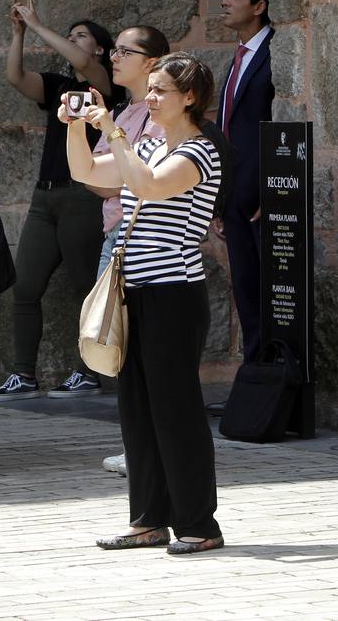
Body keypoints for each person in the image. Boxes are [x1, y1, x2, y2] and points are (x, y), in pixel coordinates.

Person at [67, 52, 225, 556]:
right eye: (150, 89)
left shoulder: (199, 151)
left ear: (190, 98)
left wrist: (114, 129)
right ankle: (148, 519)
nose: (150, 98)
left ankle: (199, 524)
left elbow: (149, 186)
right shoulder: (150, 142)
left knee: (175, 410)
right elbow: (86, 171)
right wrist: (77, 127)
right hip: (135, 290)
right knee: (136, 409)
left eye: (161, 91)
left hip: (173, 294)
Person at [0, 6, 117, 401]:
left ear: (100, 50)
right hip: (45, 195)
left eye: (82, 36)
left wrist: (40, 23)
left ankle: (87, 372)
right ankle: (22, 373)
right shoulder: (59, 85)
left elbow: (83, 63)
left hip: (82, 195)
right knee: (25, 283)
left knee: (84, 286)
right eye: (71, 34)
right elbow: (15, 77)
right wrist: (20, 34)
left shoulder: (104, 83)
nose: (74, 41)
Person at [88, 24, 170, 478]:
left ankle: (147, 446)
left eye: (125, 51)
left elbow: (136, 177)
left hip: (142, 234)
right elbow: (94, 177)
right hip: (116, 232)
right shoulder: (119, 114)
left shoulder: (161, 115)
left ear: (152, 61)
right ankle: (137, 443)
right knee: (118, 343)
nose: (114, 57)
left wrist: (117, 169)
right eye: (114, 50)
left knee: (138, 346)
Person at [215, 0, 274, 368]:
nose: (225, 1)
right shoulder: (237, 56)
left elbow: (273, 123)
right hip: (233, 194)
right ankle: (253, 379)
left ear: (258, 6)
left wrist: (268, 190)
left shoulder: (275, 49)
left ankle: (269, 378)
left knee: (267, 290)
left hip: (261, 196)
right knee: (245, 290)